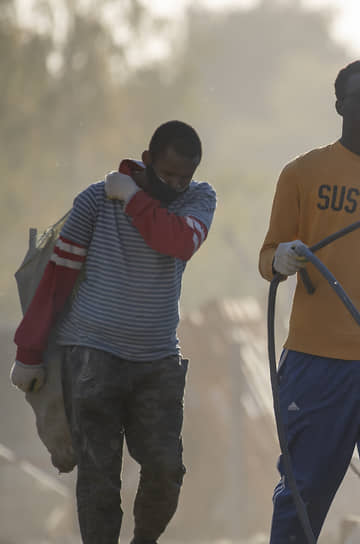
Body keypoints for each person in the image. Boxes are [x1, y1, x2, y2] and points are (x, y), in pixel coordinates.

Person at [10, 120, 216, 544]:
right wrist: (29, 350)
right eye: (167, 174)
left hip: (157, 358)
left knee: (164, 469)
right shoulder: (95, 202)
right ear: (146, 161)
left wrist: (136, 199)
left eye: (185, 176)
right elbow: (57, 277)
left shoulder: (198, 199)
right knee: (99, 476)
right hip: (91, 353)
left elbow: (178, 242)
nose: (177, 185)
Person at [258, 59, 360, 543]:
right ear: (339, 104)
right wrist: (283, 258)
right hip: (316, 363)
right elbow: (268, 255)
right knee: (302, 494)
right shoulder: (303, 173)